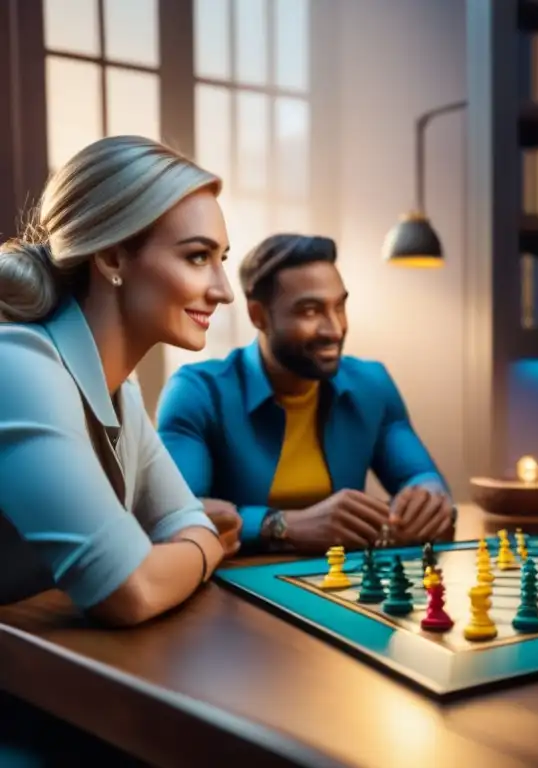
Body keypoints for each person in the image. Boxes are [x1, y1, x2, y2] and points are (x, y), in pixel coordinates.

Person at [0, 135, 238, 627]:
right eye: (197, 256)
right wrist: (202, 549)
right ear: (111, 258)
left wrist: (187, 542)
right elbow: (132, 589)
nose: (223, 290)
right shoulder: (17, 366)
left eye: (222, 260)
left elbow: (184, 520)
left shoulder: (120, 391)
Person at [155, 233, 453, 554]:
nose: (335, 329)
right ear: (259, 316)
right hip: (231, 589)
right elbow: (174, 517)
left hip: (341, 587)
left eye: (339, 306)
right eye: (310, 311)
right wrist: (283, 525)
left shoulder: (372, 384)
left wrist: (427, 498)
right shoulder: (197, 391)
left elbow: (421, 475)